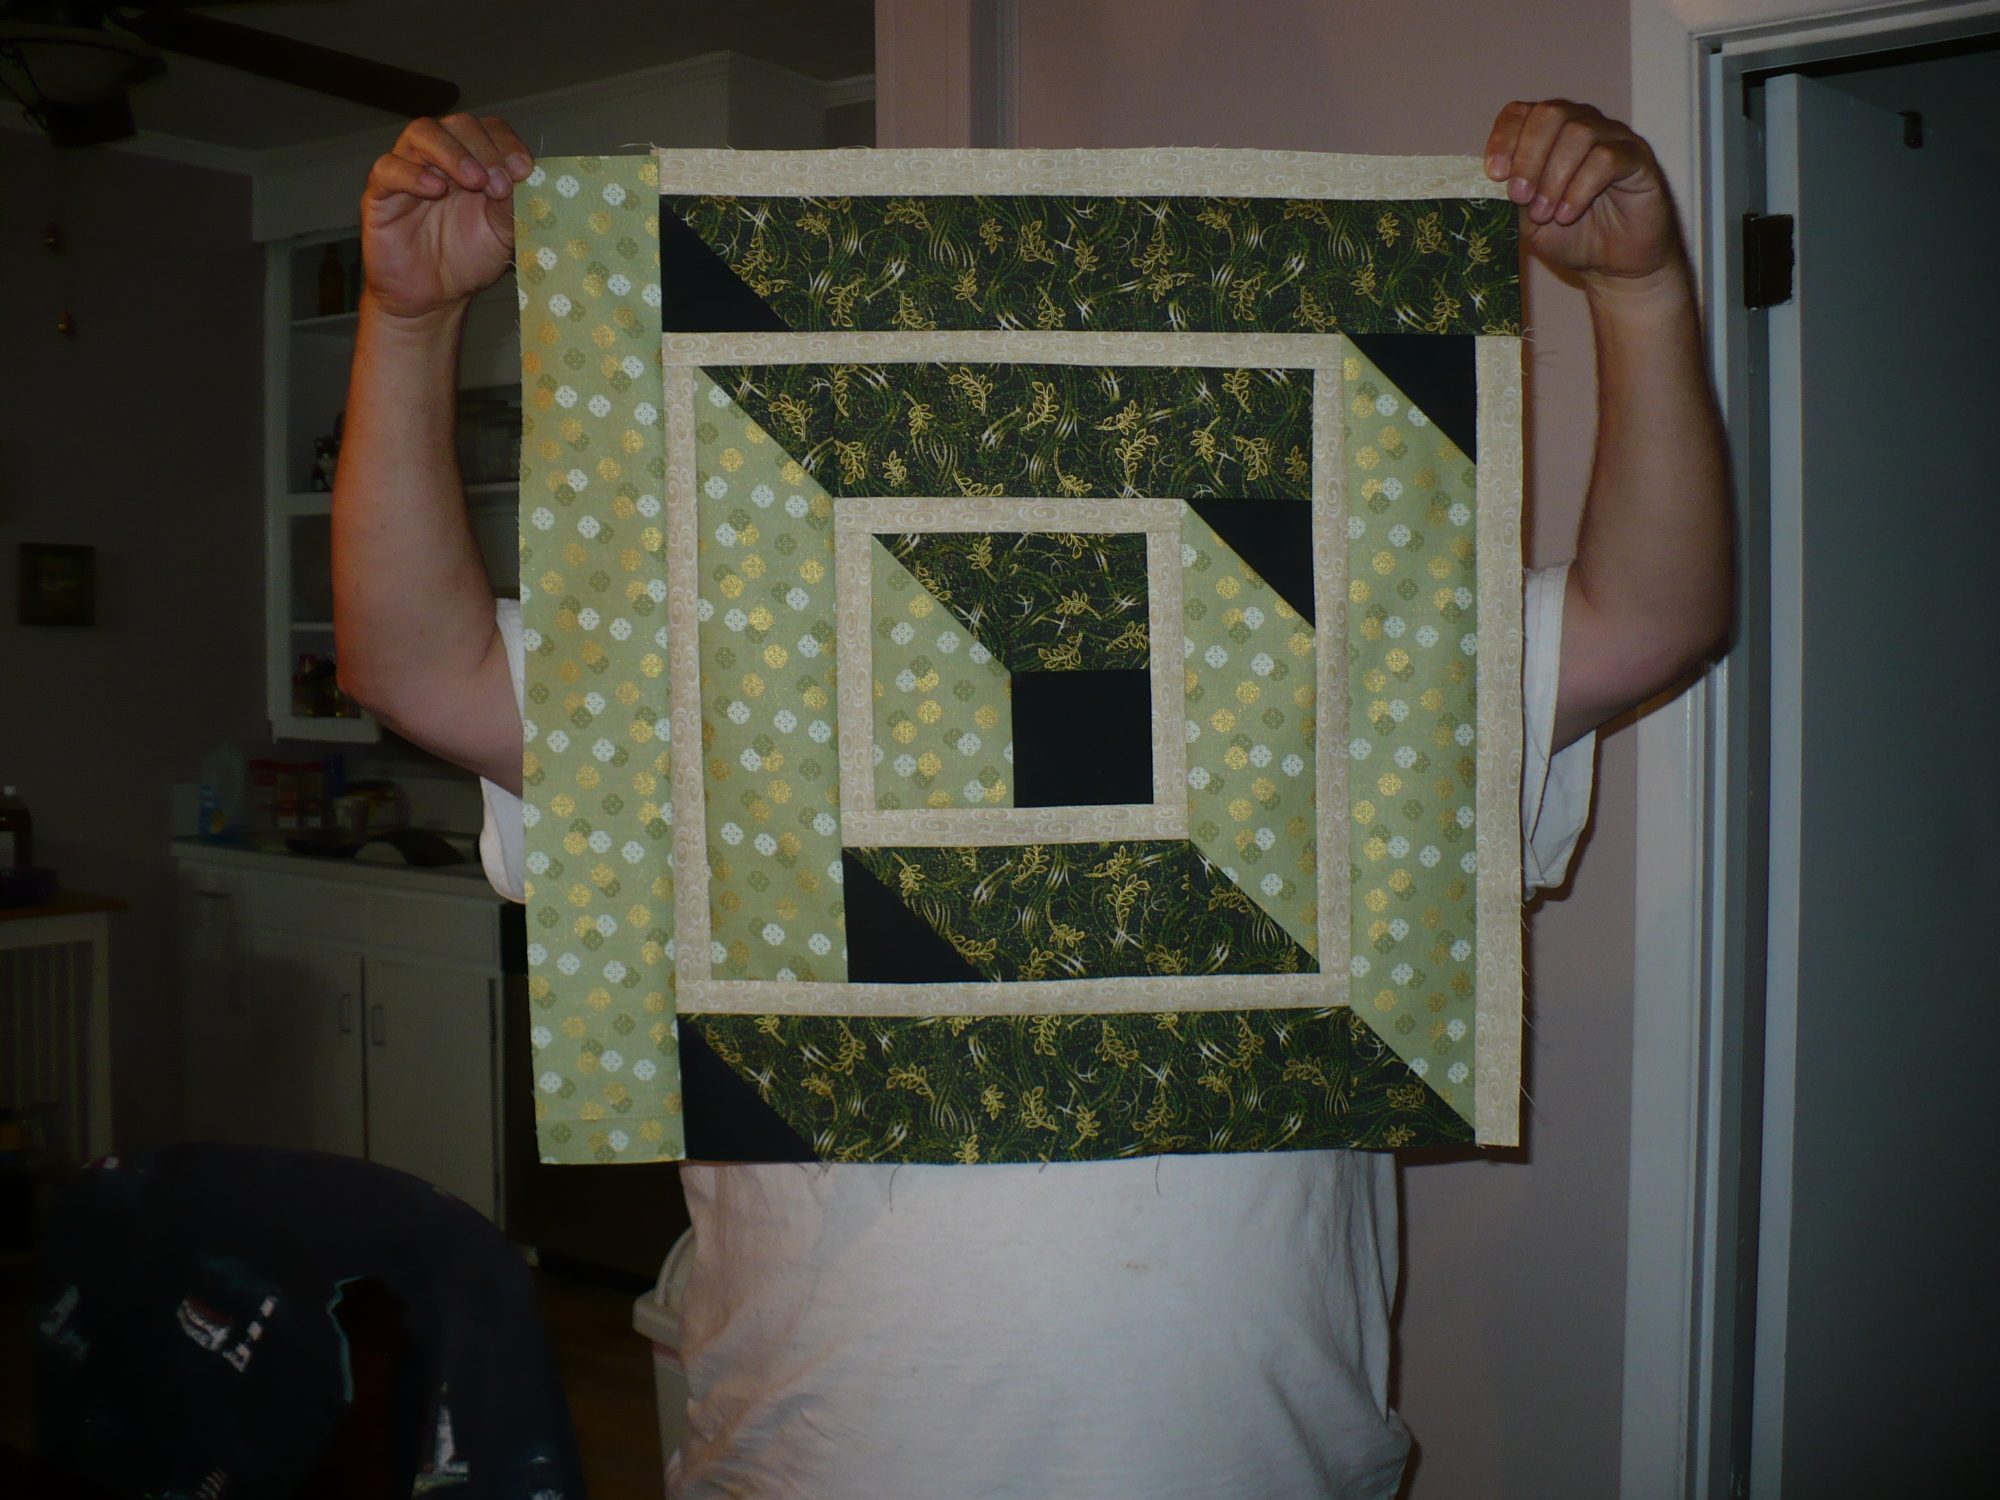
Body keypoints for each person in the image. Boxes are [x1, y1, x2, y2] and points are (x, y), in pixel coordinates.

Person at [334, 99, 1730, 1500]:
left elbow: (1651, 621)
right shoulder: (721, 649)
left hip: (1259, 1467)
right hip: (816, 1465)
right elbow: (415, 666)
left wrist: (1641, 295)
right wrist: (408, 323)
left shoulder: (1355, 646)